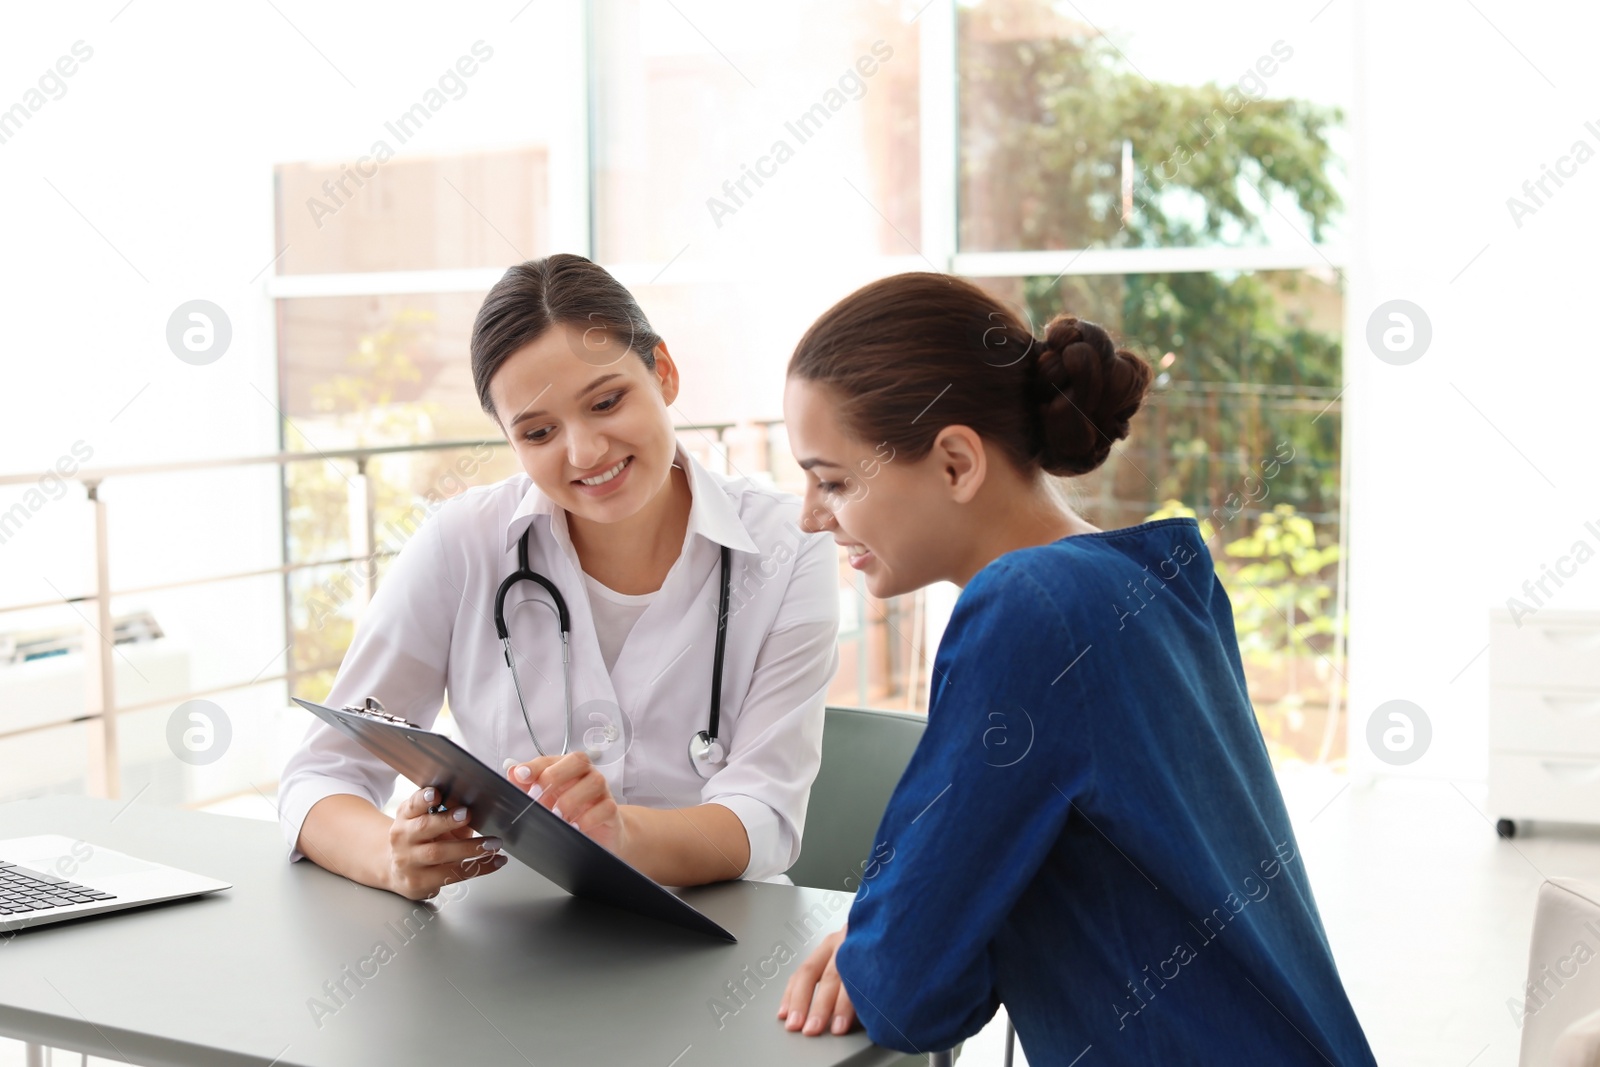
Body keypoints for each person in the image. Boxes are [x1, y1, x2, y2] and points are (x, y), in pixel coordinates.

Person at [775, 273, 1375, 1064]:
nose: (811, 515)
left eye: (833, 480)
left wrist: (888, 928)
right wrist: (904, 922)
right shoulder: (1163, 577)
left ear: (956, 462)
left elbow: (906, 994)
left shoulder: (1026, 609)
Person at [278, 254, 840, 900]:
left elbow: (764, 818)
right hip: (514, 946)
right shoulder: (464, 543)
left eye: (606, 401)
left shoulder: (788, 546)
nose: (586, 452)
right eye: (539, 431)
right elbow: (320, 774)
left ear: (663, 371)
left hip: (723, 938)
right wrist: (390, 856)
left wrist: (620, 835)